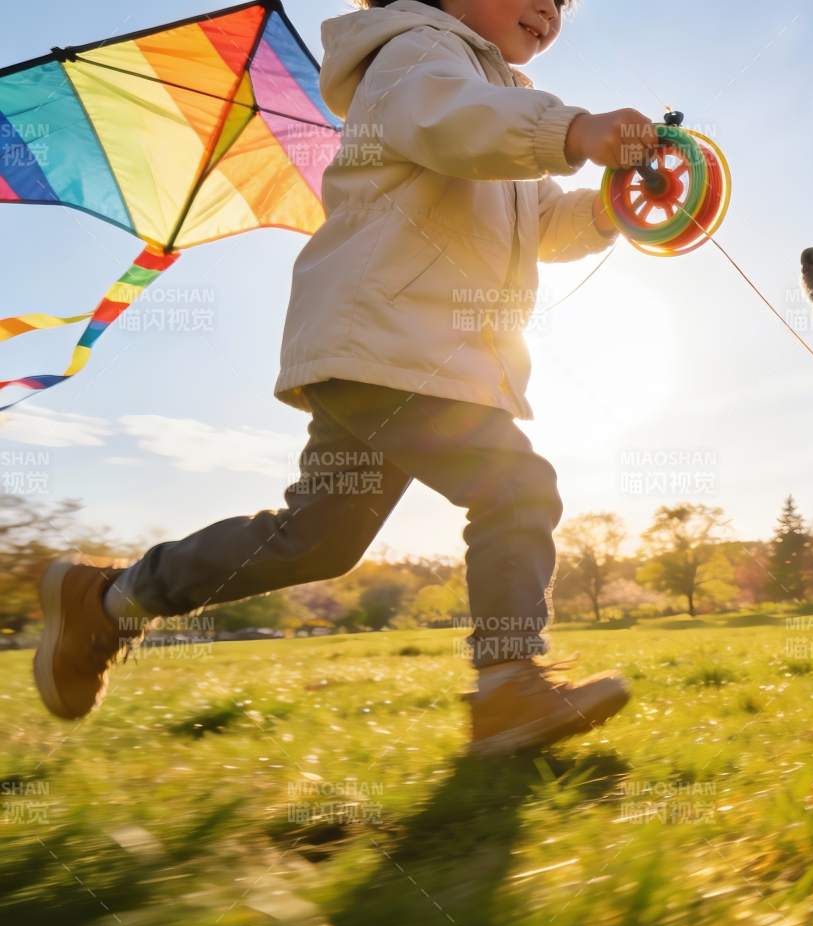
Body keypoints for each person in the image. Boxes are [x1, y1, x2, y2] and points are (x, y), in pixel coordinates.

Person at [33, 0, 657, 756]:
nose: (549, 10)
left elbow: (543, 218)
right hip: (389, 341)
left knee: (319, 539)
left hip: (410, 357)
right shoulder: (412, 51)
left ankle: (109, 598)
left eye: (564, 2)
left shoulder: (503, 99)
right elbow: (450, 122)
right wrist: (574, 129)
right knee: (514, 483)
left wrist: (614, 210)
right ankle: (507, 685)